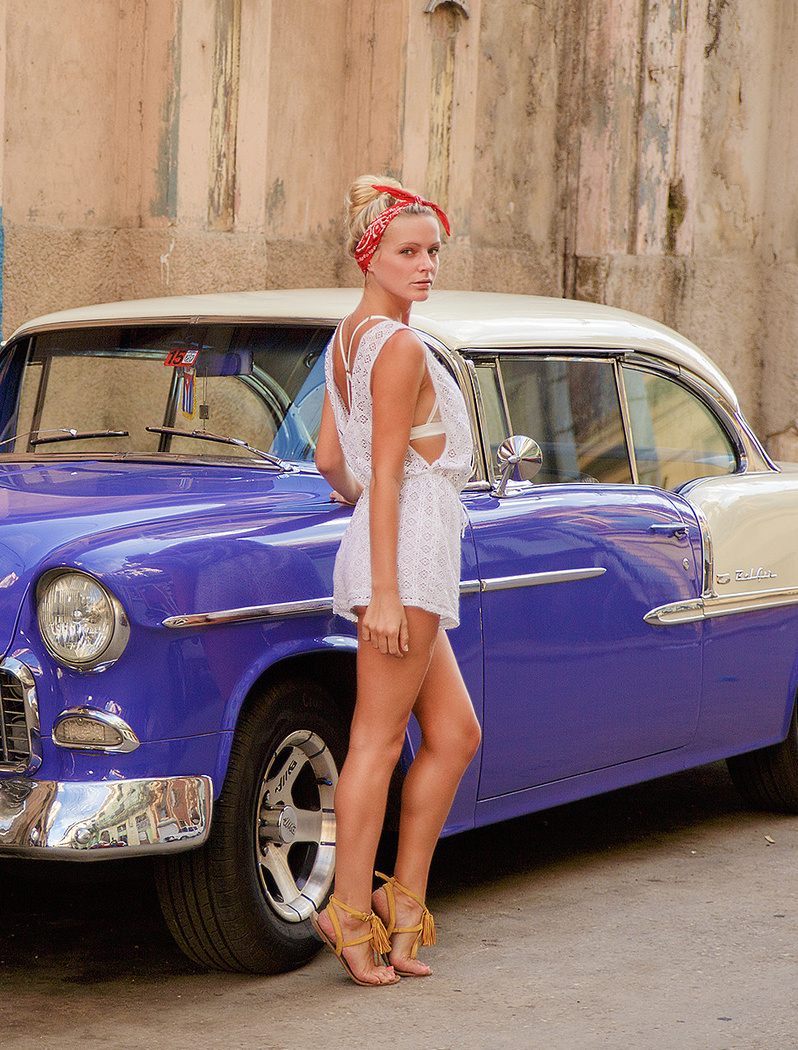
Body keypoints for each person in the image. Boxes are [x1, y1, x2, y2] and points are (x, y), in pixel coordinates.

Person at [311, 176, 484, 986]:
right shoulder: (402, 346)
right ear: (369, 256)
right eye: (407, 252)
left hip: (400, 553)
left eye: (432, 251)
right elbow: (380, 477)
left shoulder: (348, 338)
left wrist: (374, 531)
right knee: (375, 744)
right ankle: (347, 916)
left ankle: (402, 905)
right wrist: (383, 586)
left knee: (455, 736)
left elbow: (329, 465)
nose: (425, 266)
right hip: (404, 562)